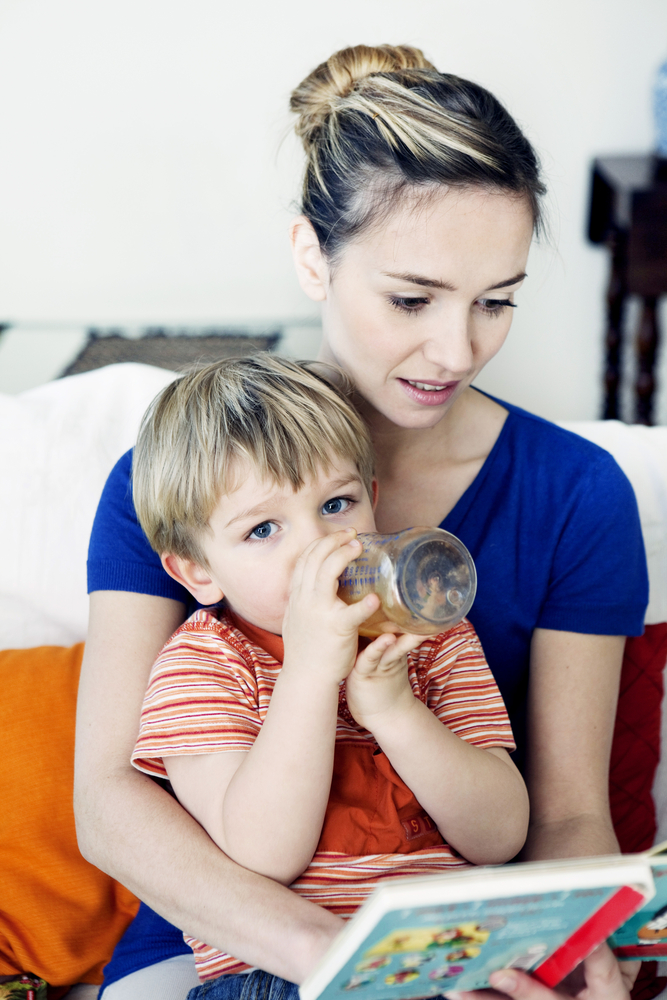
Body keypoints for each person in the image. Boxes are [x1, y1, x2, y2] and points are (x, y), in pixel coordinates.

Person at [74, 44, 648, 1000]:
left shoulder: (575, 495)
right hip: (228, 948)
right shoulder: (178, 485)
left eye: (495, 302)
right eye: (411, 298)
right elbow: (108, 802)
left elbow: (561, 814)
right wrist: (322, 956)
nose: (456, 348)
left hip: (455, 957)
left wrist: (568, 941)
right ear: (313, 256)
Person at [128, 354, 528, 993]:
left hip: (446, 964)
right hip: (280, 972)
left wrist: (397, 713)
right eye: (263, 529)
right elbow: (264, 854)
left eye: (336, 503)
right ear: (197, 572)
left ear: (373, 503)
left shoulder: (433, 638)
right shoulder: (204, 665)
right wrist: (310, 676)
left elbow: (501, 835)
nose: (318, 547)